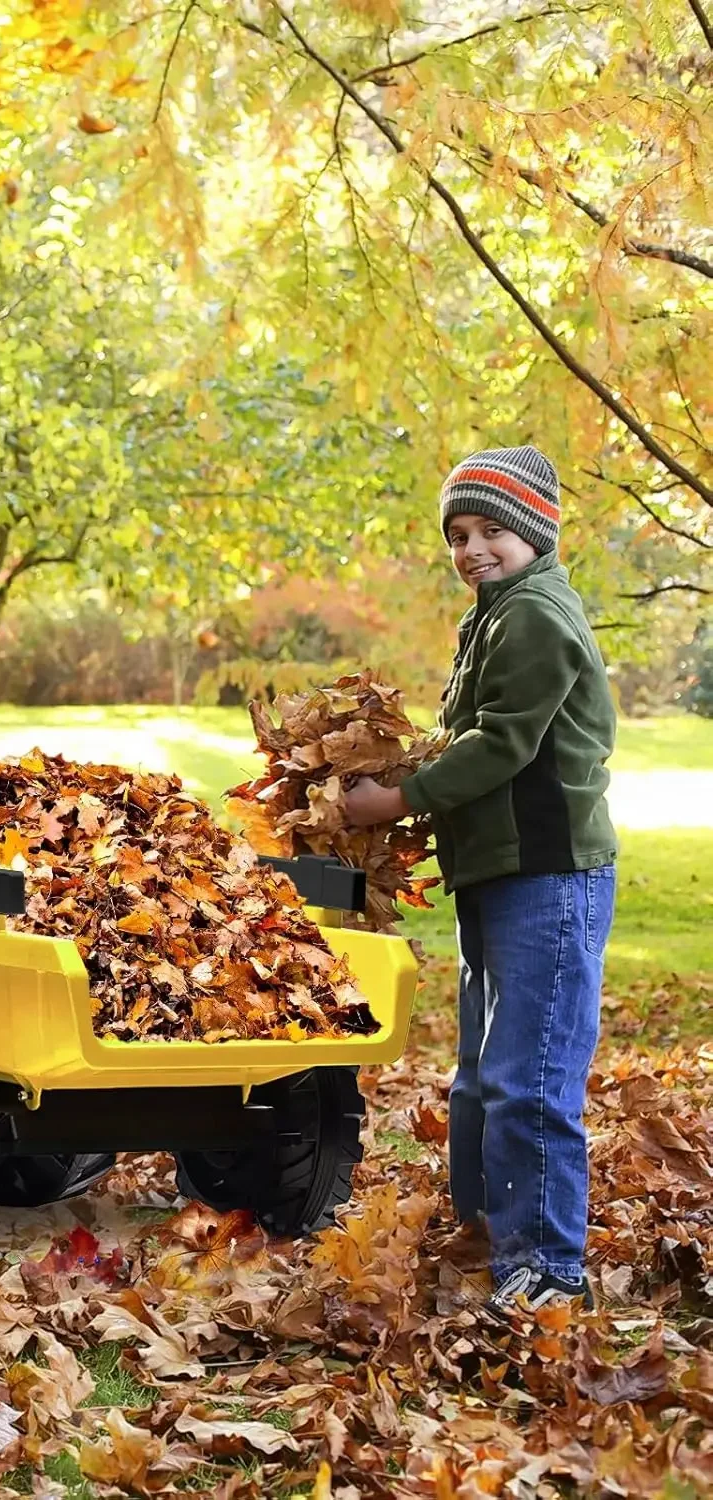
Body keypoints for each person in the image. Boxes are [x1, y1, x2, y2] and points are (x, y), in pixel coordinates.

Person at [345, 445, 617, 1316]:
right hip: (496, 877)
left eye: (492, 529)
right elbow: (461, 736)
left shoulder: (537, 615)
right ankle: (484, 1234)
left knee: (530, 1075)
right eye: (459, 533)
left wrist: (396, 798)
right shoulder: (493, 616)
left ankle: (545, 1268)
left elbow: (503, 745)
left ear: (535, 531)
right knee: (480, 1076)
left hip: (549, 875)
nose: (472, 549)